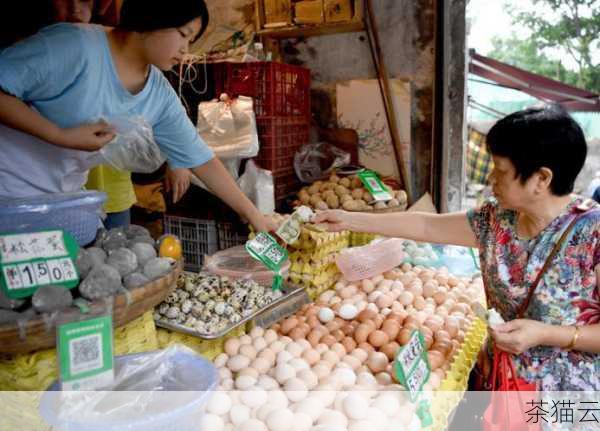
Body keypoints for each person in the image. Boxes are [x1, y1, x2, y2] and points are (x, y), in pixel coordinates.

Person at [315, 106, 600, 391]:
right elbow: (427, 227)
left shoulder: (592, 233)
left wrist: (548, 334)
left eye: (500, 170)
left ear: (541, 179)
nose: (491, 178)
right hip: (502, 381)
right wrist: (348, 219)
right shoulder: (496, 220)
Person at [0, 0, 272, 233]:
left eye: (191, 40)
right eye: (183, 33)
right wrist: (57, 135)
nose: (185, 49)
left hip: (63, 202)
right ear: (153, 18)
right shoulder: (72, 45)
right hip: (8, 195)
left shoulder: (158, 93)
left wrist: (254, 216)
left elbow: (199, 157)